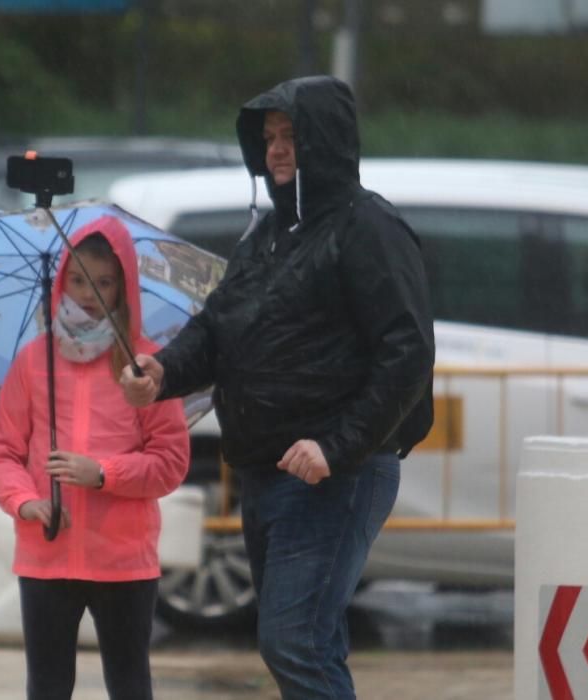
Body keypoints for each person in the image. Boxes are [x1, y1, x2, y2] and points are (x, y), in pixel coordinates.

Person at [120, 75, 435, 699]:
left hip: (334, 473)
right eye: (268, 138)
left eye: (292, 136)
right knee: (299, 641)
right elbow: (218, 327)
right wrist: (163, 373)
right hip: (268, 469)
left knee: (295, 641)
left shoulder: (367, 228)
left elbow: (407, 351)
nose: (277, 151)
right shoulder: (267, 235)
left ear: (328, 140)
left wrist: (336, 446)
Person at [0, 215, 190, 700]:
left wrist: (104, 474)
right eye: (77, 280)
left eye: (102, 283)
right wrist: (24, 501)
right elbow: (2, 451)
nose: (87, 294)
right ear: (61, 281)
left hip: (123, 559)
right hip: (45, 552)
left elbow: (170, 461)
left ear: (123, 289)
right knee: (48, 687)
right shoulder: (34, 360)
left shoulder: (144, 364)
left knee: (130, 684)